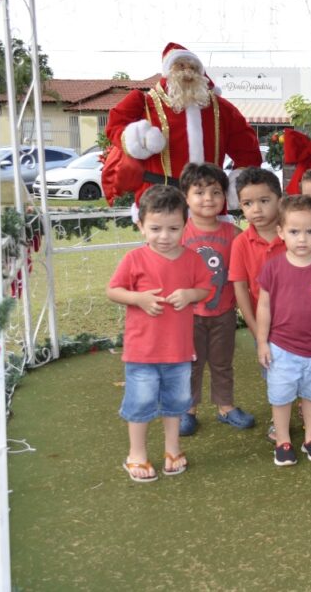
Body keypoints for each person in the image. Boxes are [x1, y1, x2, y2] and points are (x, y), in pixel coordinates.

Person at [107, 185, 211, 482]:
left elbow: (205, 288)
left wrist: (190, 294)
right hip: (142, 352)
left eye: (173, 228)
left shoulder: (192, 259)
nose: (164, 236)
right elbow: (113, 290)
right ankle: (136, 455)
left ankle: (172, 450)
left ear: (185, 226)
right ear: (140, 225)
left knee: (176, 403)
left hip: (178, 352)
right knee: (140, 403)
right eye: (155, 228)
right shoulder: (134, 259)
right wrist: (138, 299)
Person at [103, 42, 261, 205]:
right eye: (181, 66)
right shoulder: (144, 102)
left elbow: (247, 148)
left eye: (193, 67)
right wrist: (137, 138)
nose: (188, 71)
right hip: (160, 202)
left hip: (209, 203)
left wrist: (237, 182)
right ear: (168, 71)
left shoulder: (221, 108)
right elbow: (115, 124)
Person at [255, 196, 311, 465]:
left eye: (309, 231)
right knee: (281, 398)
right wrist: (262, 342)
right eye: (294, 231)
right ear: (280, 232)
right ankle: (282, 441)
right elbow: (263, 307)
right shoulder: (273, 268)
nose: (302, 239)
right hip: (281, 348)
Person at [177, 163, 255, 436]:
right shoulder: (178, 234)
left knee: (222, 363)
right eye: (199, 192)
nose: (208, 198)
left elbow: (245, 273)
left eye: (215, 192)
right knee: (191, 364)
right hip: (188, 316)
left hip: (223, 313)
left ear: (224, 196)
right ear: (186, 197)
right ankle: (188, 410)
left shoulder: (234, 235)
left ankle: (225, 407)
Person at [228, 167, 285, 339]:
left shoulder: (295, 235)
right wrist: (254, 327)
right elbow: (240, 289)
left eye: (264, 201)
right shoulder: (240, 243)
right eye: (248, 203)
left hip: (299, 322)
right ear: (241, 206)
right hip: (263, 325)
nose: (256, 209)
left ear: (280, 201)